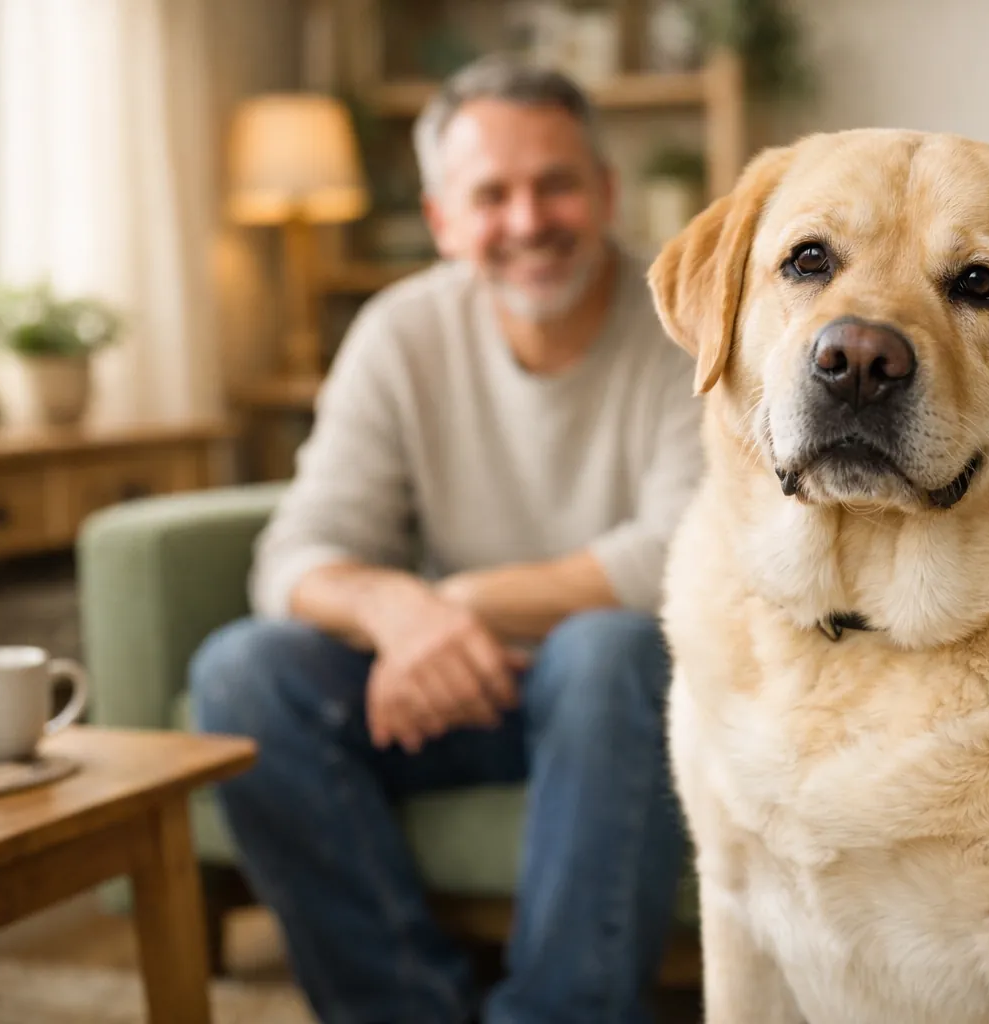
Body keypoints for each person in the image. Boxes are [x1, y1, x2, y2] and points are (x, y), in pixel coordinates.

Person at [189, 54, 703, 1024]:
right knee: (243, 672)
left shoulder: (686, 322)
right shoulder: (398, 333)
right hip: (450, 693)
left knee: (606, 649)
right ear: (443, 221)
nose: (528, 220)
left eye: (555, 184)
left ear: (605, 192)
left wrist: (452, 605)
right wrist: (397, 612)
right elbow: (296, 553)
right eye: (491, 195)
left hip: (616, 704)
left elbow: (684, 551)